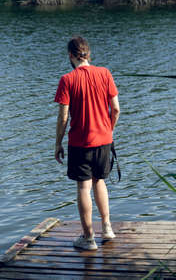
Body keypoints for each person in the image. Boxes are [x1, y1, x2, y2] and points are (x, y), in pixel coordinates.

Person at [54, 36, 120, 250]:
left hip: (80, 142)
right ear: (88, 54)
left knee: (84, 186)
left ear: (70, 55)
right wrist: (108, 130)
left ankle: (88, 237)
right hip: (104, 140)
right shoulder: (105, 73)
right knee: (99, 181)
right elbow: (116, 109)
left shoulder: (67, 79)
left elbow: (63, 117)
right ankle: (107, 229)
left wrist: (57, 143)